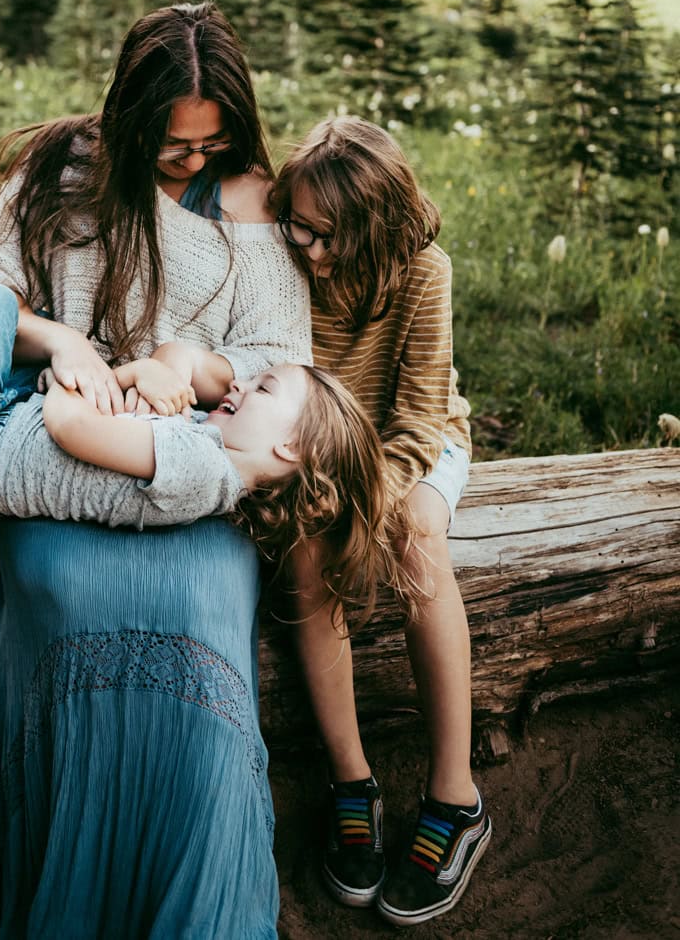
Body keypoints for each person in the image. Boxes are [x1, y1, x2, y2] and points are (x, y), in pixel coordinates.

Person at [0, 1, 313, 939]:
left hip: (194, 459)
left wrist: (185, 364)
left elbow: (283, 362)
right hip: (61, 440)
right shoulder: (62, 174)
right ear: (129, 117)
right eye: (173, 144)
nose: (193, 162)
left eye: (212, 143)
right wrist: (61, 340)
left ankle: (199, 905)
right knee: (62, 593)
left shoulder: (254, 202)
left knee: (201, 616)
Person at [272, 115, 491, 929]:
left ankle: (455, 796)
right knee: (305, 556)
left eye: (333, 237)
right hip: (319, 453)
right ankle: (350, 782)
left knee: (415, 542)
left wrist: (372, 502)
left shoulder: (423, 273)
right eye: (302, 227)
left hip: (416, 444)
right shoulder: (283, 254)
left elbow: (420, 417)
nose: (313, 251)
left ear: (380, 228)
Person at [0, 296, 398, 622]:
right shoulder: (213, 451)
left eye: (263, 388)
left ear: (289, 448)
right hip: (2, 430)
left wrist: (89, 371)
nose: (240, 382)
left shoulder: (200, 468)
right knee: (35, 322)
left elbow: (71, 426)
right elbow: (169, 370)